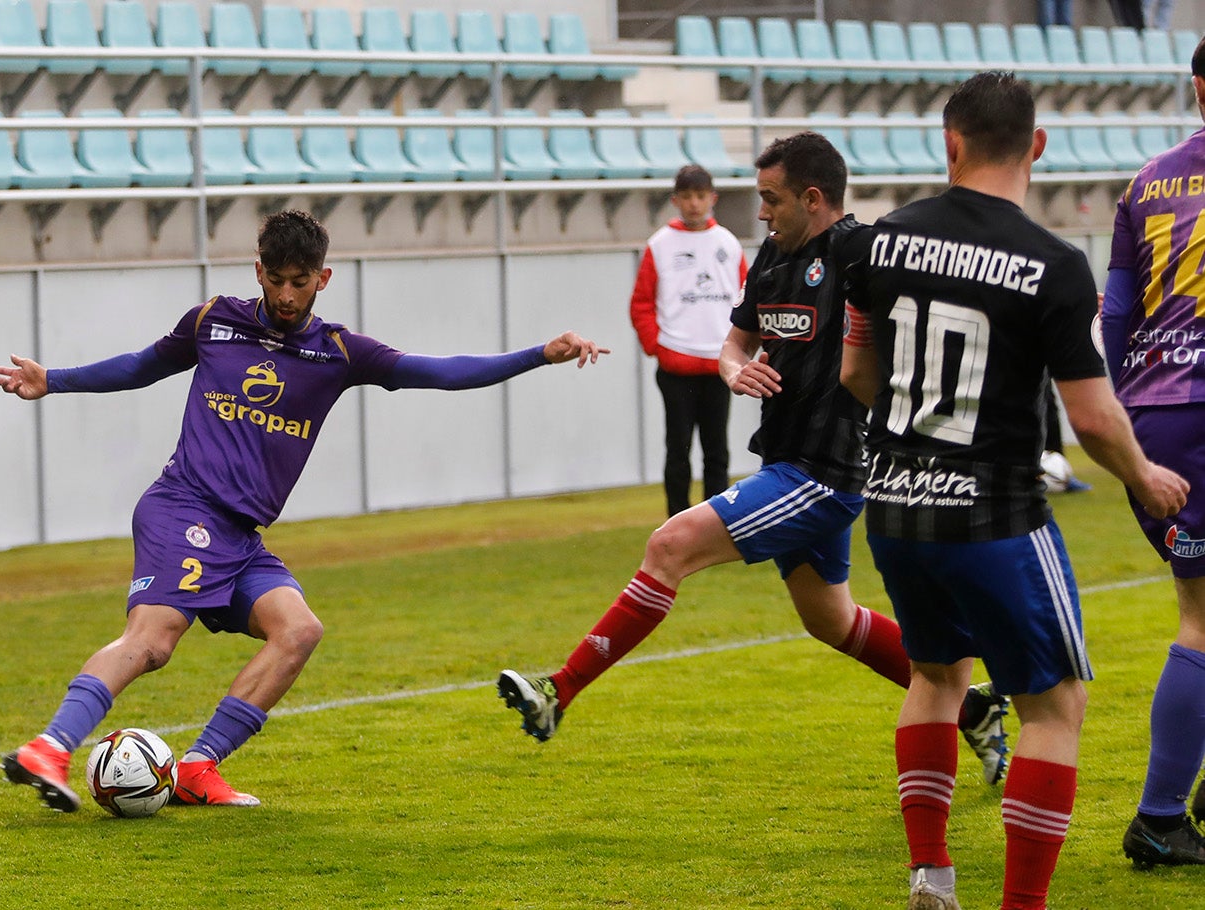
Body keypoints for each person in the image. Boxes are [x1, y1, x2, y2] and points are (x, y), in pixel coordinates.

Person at [0, 209, 609, 812]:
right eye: (276, 280)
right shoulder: (212, 321)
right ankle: (50, 748)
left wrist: (536, 354)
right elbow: (143, 366)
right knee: (153, 641)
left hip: (240, 535)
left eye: (300, 282)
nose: (287, 295)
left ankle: (199, 768)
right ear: (258, 271)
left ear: (323, 279)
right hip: (184, 507)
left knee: (299, 631)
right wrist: (55, 379)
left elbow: (440, 371)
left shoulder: (340, 352)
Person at [498, 131, 1011, 789]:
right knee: (830, 619)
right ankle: (972, 707)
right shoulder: (771, 256)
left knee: (670, 544)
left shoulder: (857, 249)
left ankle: (558, 691)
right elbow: (732, 343)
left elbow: (934, 270)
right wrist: (735, 369)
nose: (761, 213)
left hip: (824, 471)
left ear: (814, 197)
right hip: (786, 461)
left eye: (770, 199)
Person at [840, 72, 1188, 909]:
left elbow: (856, 372)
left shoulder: (878, 244)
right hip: (994, 515)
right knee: (1053, 706)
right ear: (1036, 146)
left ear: (948, 143)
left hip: (892, 507)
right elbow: (1093, 418)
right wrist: (1144, 475)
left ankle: (931, 873)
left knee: (934, 678)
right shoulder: (1052, 265)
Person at [1104, 35, 1205, 868]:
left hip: (1155, 413)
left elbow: (1113, 315)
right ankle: (1161, 816)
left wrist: (1129, 414)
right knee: (1202, 617)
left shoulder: (1147, 179)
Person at [631, 164, 748, 516]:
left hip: (718, 365)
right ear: (675, 200)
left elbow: (745, 299)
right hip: (676, 364)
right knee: (677, 449)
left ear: (712, 198)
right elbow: (641, 303)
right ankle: (677, 520)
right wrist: (658, 347)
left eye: (700, 196)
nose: (694, 204)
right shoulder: (660, 245)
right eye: (687, 197)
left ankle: (717, 522)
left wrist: (738, 350)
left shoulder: (728, 242)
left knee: (717, 451)